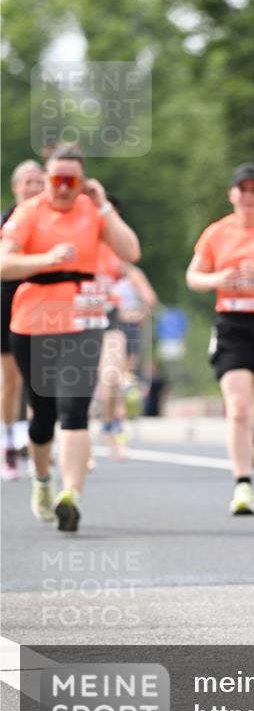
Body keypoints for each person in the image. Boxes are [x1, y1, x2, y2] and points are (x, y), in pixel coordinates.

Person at [0, 143, 140, 531]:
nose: (63, 187)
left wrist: (104, 206)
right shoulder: (29, 212)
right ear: (47, 179)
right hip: (33, 323)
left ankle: (71, 496)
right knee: (43, 417)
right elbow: (3, 262)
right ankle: (42, 481)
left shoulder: (92, 211)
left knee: (74, 409)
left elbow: (131, 251)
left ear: (83, 182)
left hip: (83, 322)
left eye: (71, 181)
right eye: (57, 179)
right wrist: (45, 260)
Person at [186, 163, 254, 515]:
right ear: (232, 194)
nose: (248, 196)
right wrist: (219, 279)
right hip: (232, 324)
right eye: (242, 189)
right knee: (239, 407)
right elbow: (193, 277)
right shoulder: (217, 233)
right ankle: (243, 485)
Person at [1, 160, 45, 478]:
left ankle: (38, 441)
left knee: (40, 379)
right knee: (11, 379)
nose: (32, 188)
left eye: (38, 182)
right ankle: (7, 443)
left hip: (43, 301)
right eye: (27, 182)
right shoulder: (5, 221)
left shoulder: (51, 221)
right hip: (8, 300)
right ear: (16, 187)